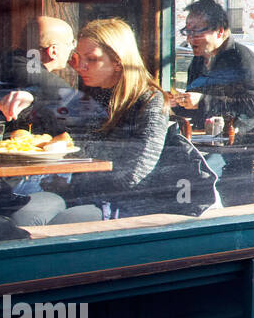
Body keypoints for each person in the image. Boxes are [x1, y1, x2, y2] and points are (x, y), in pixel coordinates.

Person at [11, 18, 215, 226]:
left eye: (91, 59)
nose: (80, 66)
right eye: (78, 57)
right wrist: (30, 101)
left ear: (118, 61)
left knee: (60, 224)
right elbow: (71, 133)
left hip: (131, 204)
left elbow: (134, 175)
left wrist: (74, 178)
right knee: (21, 216)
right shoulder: (99, 94)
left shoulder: (150, 101)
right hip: (86, 195)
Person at [168, 0, 254, 133]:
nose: (189, 39)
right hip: (207, 137)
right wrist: (177, 103)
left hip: (237, 140)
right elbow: (197, 108)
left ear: (219, 31)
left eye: (196, 32)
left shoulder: (241, 58)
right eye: (187, 32)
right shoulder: (198, 60)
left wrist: (203, 101)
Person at [0, 16, 79, 130]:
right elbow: (76, 103)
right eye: (71, 43)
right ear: (53, 51)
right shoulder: (32, 74)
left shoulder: (9, 63)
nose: (72, 49)